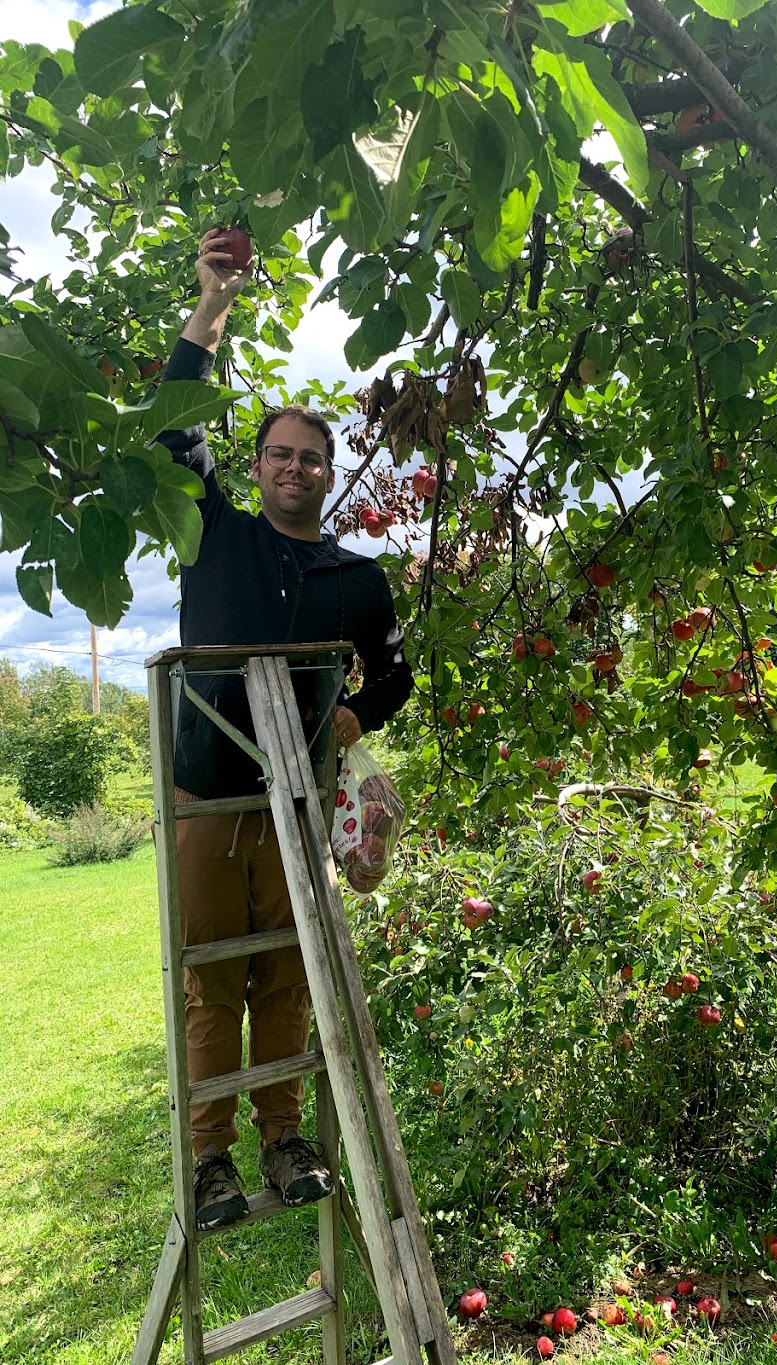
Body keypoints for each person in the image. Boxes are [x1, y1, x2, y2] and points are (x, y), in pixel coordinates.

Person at [155, 228, 414, 1229]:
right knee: (214, 976)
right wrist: (212, 303)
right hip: (207, 793)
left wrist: (352, 712)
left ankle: (283, 1135)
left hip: (295, 802)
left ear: (327, 472)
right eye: (278, 454)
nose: (294, 468)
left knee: (290, 972)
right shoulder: (212, 535)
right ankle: (211, 1157)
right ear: (255, 466)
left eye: (311, 458)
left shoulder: (355, 579)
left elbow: (396, 675)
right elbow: (172, 440)